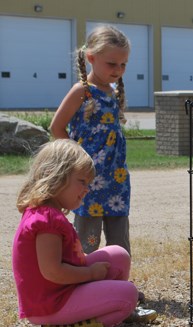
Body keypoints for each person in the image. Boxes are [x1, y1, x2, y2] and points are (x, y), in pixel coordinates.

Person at [12, 140, 156, 327]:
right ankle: (69, 325)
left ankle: (107, 307)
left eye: (88, 183)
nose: (87, 189)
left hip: (61, 292)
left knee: (118, 255)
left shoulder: (49, 214)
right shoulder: (45, 220)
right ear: (56, 176)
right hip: (50, 305)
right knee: (128, 295)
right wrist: (90, 274)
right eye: (81, 181)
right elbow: (53, 272)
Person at [50, 24, 131, 258]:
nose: (118, 69)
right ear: (91, 58)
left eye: (123, 64)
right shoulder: (82, 92)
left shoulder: (113, 92)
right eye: (112, 63)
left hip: (116, 179)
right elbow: (56, 127)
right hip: (89, 180)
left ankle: (118, 283)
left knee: (119, 236)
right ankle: (84, 282)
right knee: (88, 238)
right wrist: (76, 159)